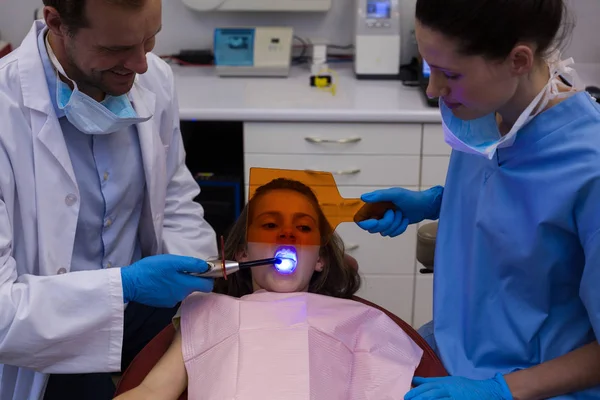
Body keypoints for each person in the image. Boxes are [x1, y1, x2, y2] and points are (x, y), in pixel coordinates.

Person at [357, 0, 600, 399]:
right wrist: (438, 202)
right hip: (455, 345)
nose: (434, 91)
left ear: (518, 60)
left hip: (532, 382)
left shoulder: (589, 167)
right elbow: (515, 197)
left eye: (449, 73)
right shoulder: (487, 111)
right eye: (428, 67)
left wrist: (498, 390)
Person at [0, 0, 218, 399]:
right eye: (115, 50)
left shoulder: (155, 79)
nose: (139, 65)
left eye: (149, 39)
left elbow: (174, 194)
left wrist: (196, 288)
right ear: (55, 22)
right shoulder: (5, 110)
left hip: (141, 302)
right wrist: (125, 286)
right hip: (43, 331)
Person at [114, 178, 424, 399]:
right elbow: (154, 390)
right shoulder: (208, 310)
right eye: (270, 225)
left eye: (303, 228)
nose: (287, 233)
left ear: (319, 259)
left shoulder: (358, 319)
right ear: (243, 254)